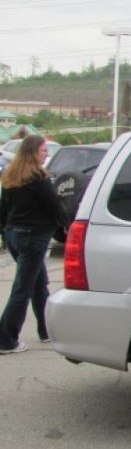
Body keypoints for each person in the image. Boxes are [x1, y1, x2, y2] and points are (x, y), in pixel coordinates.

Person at [0, 135, 66, 354]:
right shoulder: (38, 177)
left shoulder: (10, 175)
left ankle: (46, 330)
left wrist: (4, 234)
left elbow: (3, 208)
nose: (46, 153)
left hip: (13, 235)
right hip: (33, 237)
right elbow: (54, 206)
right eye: (43, 150)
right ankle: (6, 339)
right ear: (32, 152)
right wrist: (70, 226)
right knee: (22, 289)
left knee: (38, 283)